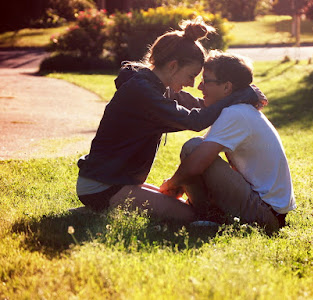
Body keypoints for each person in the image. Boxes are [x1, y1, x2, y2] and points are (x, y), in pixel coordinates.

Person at [75, 18, 264, 222]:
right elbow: (195, 120)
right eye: (191, 75)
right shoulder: (142, 92)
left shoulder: (155, 86)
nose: (192, 84)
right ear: (173, 66)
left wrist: (234, 92)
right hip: (102, 185)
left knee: (176, 203)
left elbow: (201, 106)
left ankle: (100, 207)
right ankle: (99, 205)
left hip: (117, 181)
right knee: (188, 215)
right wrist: (240, 95)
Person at [160, 51, 296, 232]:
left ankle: (207, 216)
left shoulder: (236, 113)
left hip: (265, 214)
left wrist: (171, 185)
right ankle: (204, 212)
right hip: (267, 210)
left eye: (206, 80)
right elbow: (201, 161)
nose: (200, 87)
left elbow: (196, 164)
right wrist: (180, 185)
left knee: (192, 147)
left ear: (227, 87)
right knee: (196, 148)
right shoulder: (237, 111)